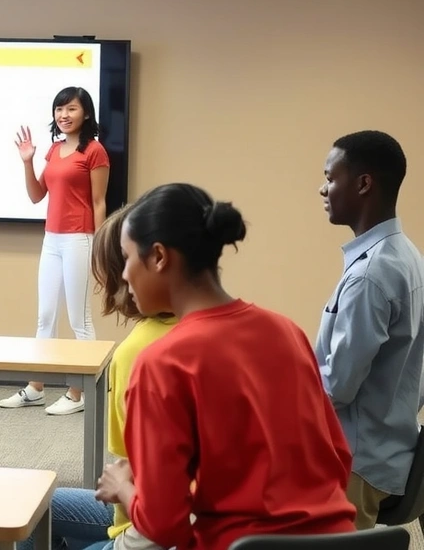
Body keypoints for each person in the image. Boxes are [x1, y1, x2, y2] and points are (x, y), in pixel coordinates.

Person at [94, 183, 356, 550]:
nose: (123, 275)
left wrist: (122, 486)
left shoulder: (161, 362)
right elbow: (339, 458)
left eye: (127, 258)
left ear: (158, 257)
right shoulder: (287, 331)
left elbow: (163, 526)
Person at [20, 205, 176, 550]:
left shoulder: (137, 352)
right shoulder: (208, 329)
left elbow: (133, 482)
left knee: (30, 512)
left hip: (148, 528)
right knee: (46, 506)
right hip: (192, 521)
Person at [315, 130, 424, 530]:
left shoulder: (370, 275)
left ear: (363, 184)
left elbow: (338, 386)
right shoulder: (409, 258)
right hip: (390, 453)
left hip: (354, 466)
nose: (323, 189)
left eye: (330, 178)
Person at [0, 86, 110, 415]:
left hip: (80, 239)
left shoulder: (95, 151)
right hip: (52, 240)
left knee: (80, 320)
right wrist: (27, 161)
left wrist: (100, 246)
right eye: (59, 109)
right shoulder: (53, 150)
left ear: (86, 113)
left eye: (71, 109)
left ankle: (78, 393)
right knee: (45, 317)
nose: (64, 115)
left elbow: (99, 202)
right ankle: (36, 388)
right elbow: (37, 196)